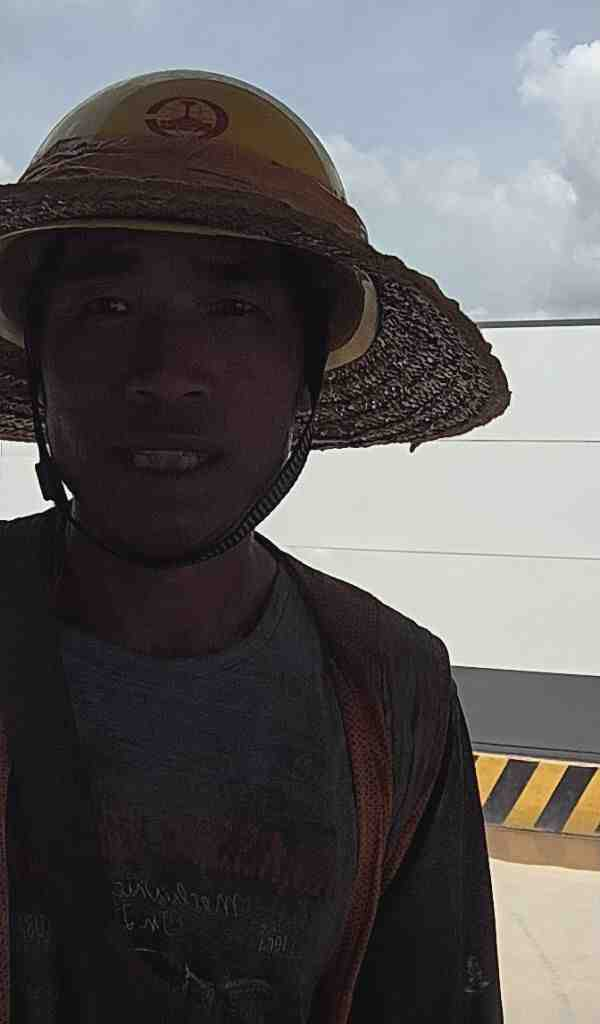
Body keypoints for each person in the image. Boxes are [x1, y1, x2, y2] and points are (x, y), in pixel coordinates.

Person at [0, 71, 510, 1022]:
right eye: (108, 308)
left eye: (235, 312)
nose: (168, 375)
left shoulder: (391, 685)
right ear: (40, 370)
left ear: (304, 387)